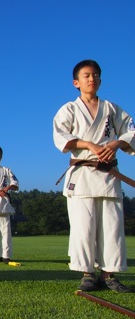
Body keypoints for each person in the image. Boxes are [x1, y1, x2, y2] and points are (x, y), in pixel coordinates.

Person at [53, 59, 134, 293]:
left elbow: (132, 130)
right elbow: (60, 136)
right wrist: (89, 144)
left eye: (96, 75)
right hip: (82, 176)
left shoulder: (112, 109)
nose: (92, 78)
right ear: (76, 82)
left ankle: (109, 274)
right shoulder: (68, 109)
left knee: (112, 226)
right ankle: (88, 273)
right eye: (87, 75)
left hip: (108, 176)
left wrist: (117, 143)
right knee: (83, 226)